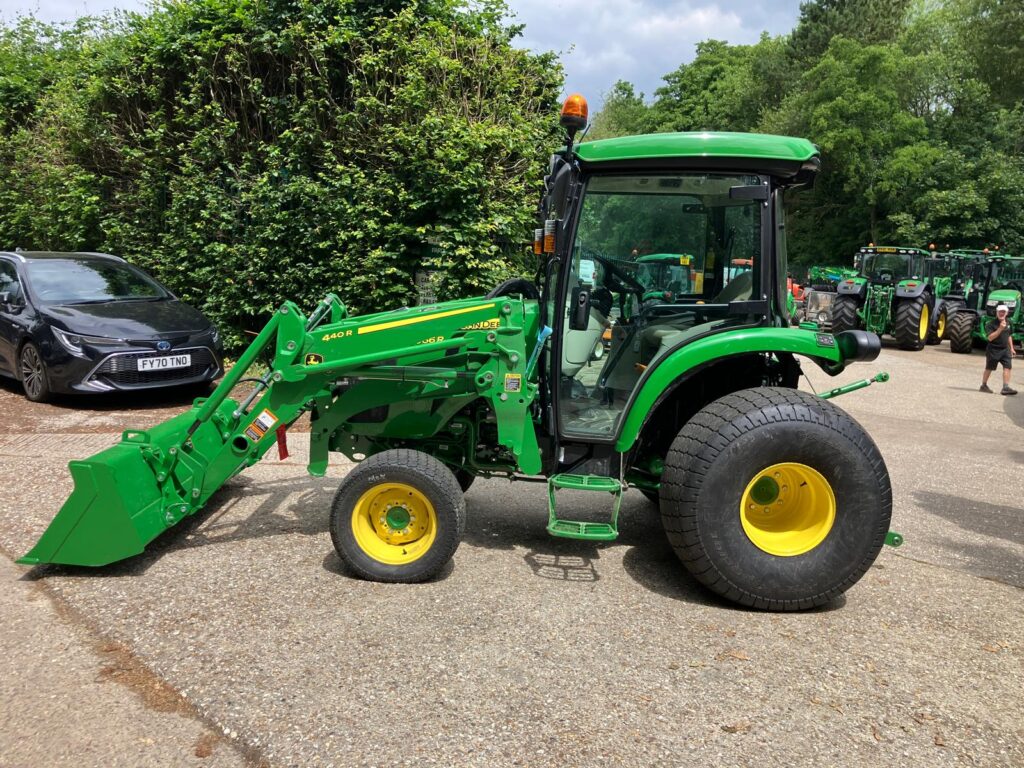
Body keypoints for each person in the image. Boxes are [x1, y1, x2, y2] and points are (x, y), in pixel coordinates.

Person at [980, 304, 1017, 395]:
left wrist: (1012, 348)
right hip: (993, 350)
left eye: (1003, 312)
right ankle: (983, 385)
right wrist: (1000, 328)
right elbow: (990, 338)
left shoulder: (1009, 323)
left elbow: (1009, 336)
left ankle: (1005, 387)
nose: (1001, 313)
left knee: (1007, 367)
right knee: (989, 368)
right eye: (1000, 311)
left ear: (1007, 313)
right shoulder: (990, 324)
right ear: (996, 312)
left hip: (1005, 349)